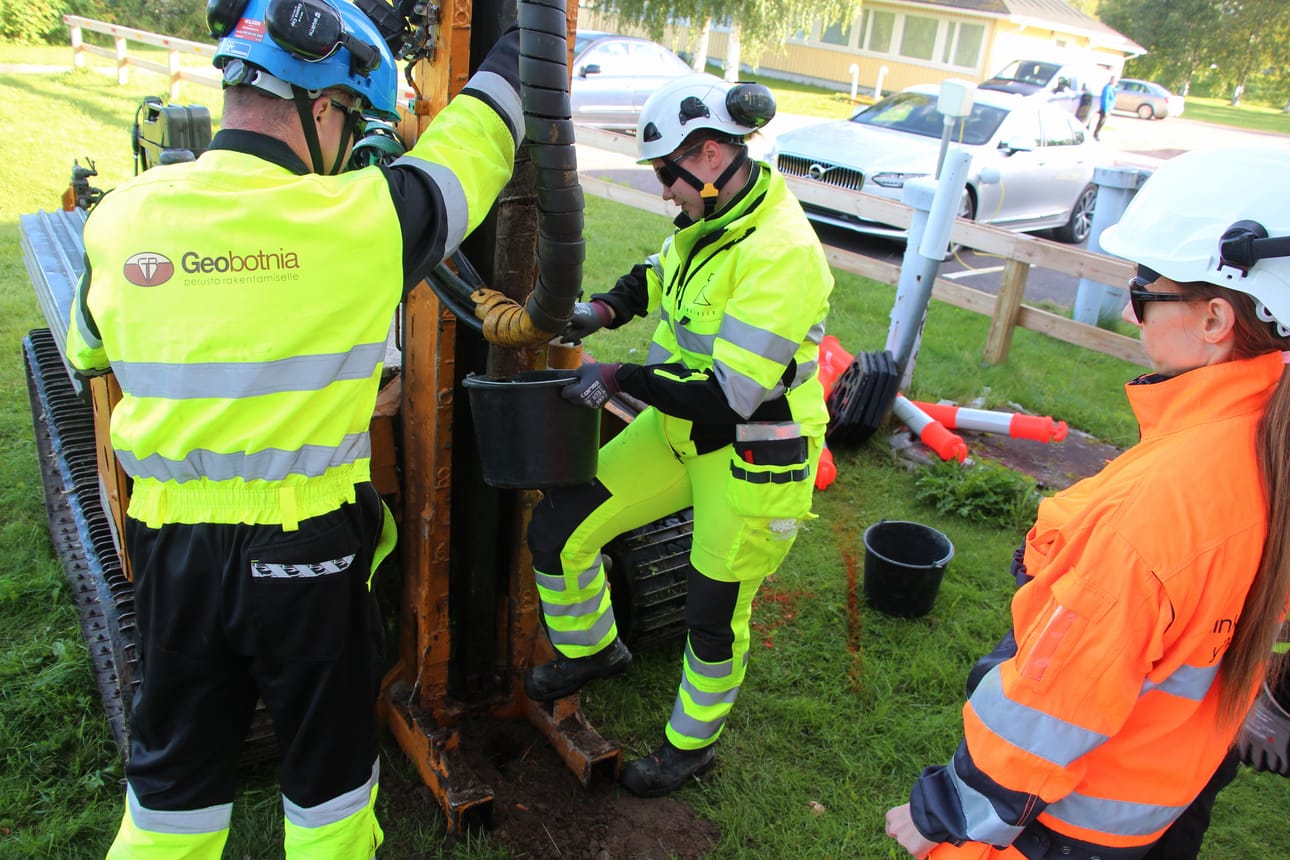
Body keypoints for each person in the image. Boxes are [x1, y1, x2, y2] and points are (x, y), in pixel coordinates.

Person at [64, 0, 523, 855]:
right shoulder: (362, 220)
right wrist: (528, 42)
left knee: (169, 796)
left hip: (171, 548)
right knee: (329, 795)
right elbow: (476, 146)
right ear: (323, 108)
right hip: (307, 552)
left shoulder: (117, 219)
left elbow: (89, 353)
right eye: (351, 121)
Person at [885, 144, 1290, 860]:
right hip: (1167, 797)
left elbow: (1055, 702)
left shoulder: (1163, 502)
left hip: (1071, 827)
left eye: (1144, 290)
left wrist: (944, 813)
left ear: (1215, 319)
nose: (1132, 313)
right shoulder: (1263, 438)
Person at [518, 73, 834, 797]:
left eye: (667, 174)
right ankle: (593, 650)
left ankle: (690, 749)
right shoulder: (714, 220)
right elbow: (659, 274)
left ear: (712, 155)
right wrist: (601, 310)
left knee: (712, 615)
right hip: (679, 427)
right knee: (559, 528)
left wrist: (619, 377)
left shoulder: (780, 252)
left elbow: (730, 396)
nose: (665, 192)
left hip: (752, 449)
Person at [1094, 75, 1117, 139]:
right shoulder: (1107, 88)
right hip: (1105, 108)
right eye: (1113, 80)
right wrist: (1106, 110)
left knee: (1103, 122)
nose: (1114, 82)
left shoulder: (1112, 88)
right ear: (1110, 80)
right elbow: (1105, 99)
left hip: (1109, 108)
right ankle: (1096, 134)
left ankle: (1096, 133)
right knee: (1101, 122)